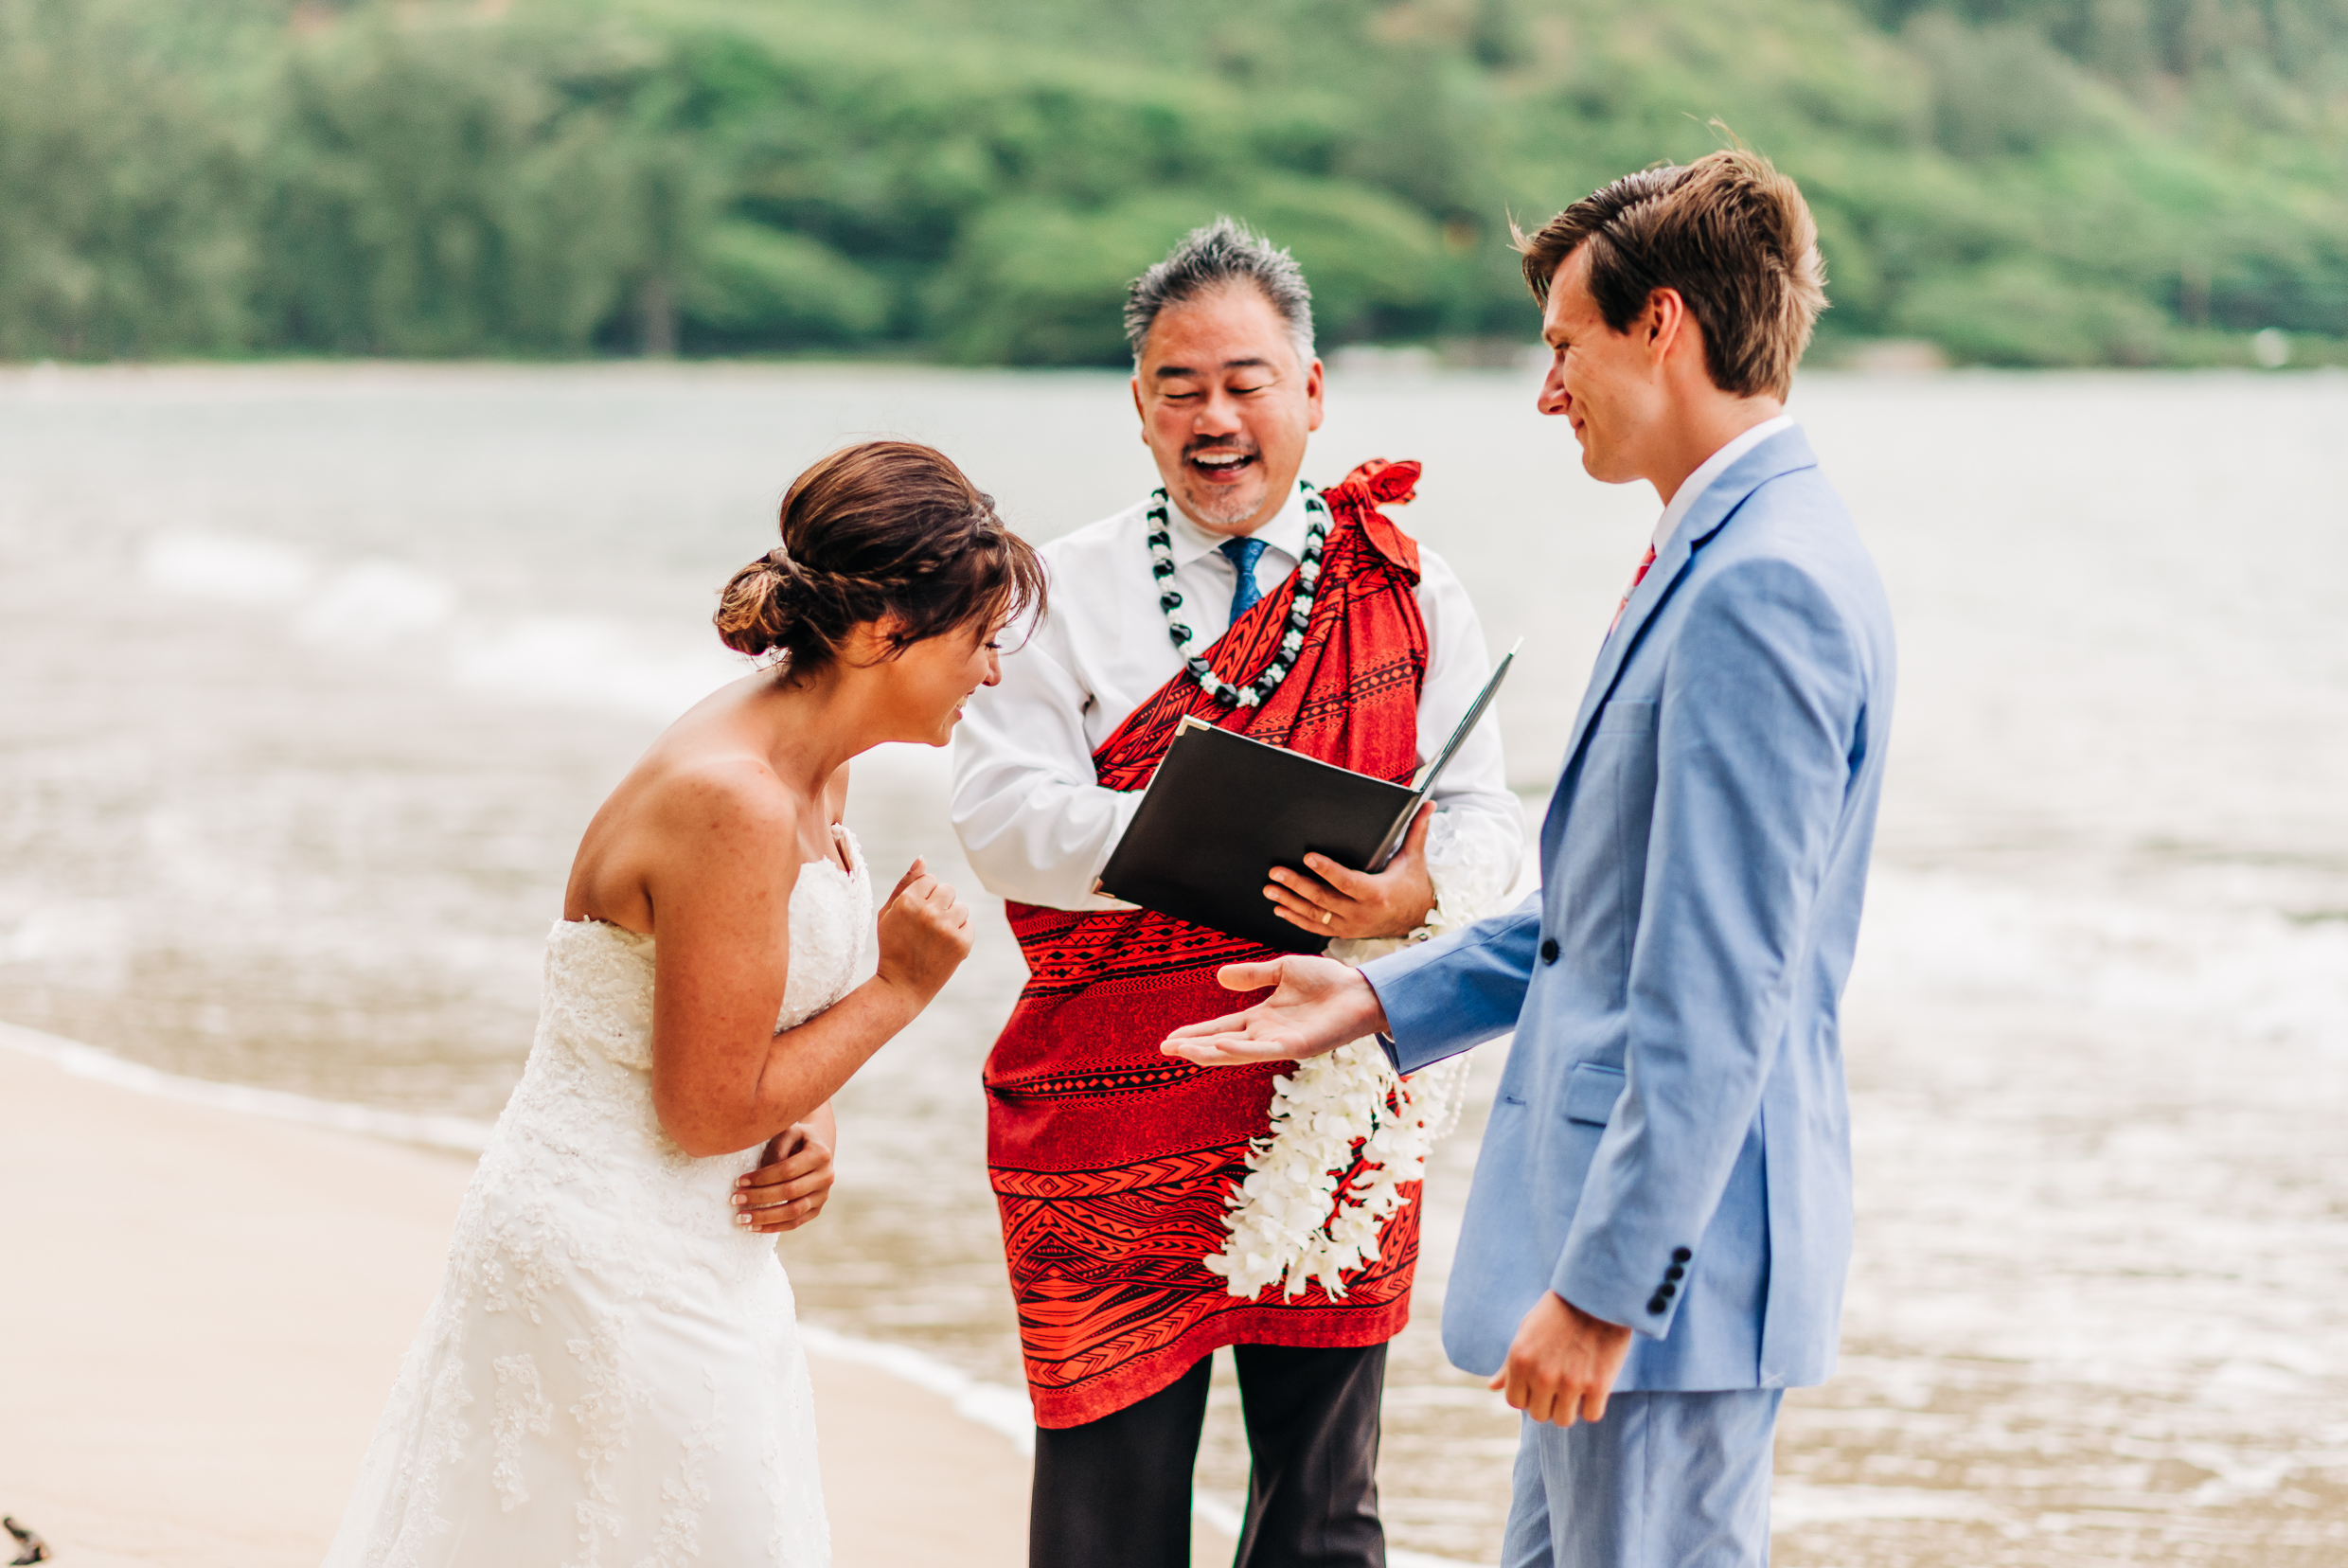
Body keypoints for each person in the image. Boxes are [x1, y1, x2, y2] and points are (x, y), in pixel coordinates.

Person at [1164, 150, 1897, 1568]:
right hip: (1624, 1255)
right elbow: (1613, 918)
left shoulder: (1764, 585)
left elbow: (1722, 979)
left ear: (1662, 326)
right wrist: (1378, 1001)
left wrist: (1609, 1292)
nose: (1547, 387)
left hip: (1666, 1292)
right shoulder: (1724, 547)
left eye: (1565, 344)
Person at [324, 440, 1043, 1568]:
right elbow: (704, 1110)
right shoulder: (734, 800)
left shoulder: (814, 755)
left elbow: (751, 1017)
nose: (989, 674)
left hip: (702, 1246)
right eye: (977, 640)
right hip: (607, 1257)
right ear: (875, 636)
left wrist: (813, 1114)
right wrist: (898, 991)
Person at [951, 219, 1524, 1567]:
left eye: (1247, 380)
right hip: (1107, 1099)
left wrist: (1419, 894)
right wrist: (1213, 845)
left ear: (1311, 393)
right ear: (1139, 409)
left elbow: (1492, 816)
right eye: (1179, 385)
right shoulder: (1050, 595)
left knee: (1326, 1520)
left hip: (1333, 1097)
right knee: (1107, 1515)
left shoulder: (1413, 585)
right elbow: (1002, 820)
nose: (1217, 416)